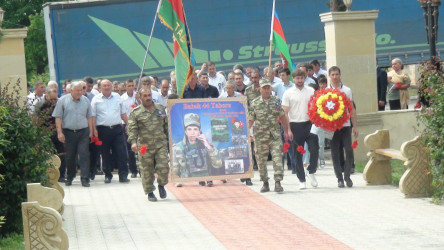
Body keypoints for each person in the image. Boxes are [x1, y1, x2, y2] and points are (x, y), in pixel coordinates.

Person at [128, 88, 169, 202]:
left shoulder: (159, 108)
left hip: (160, 143)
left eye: (149, 95)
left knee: (164, 166)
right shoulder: (136, 112)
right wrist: (133, 142)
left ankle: (161, 185)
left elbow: (166, 125)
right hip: (144, 146)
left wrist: (170, 141)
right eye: (145, 96)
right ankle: (150, 192)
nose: (148, 98)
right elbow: (132, 129)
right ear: (140, 98)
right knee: (147, 170)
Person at [249, 78, 290, 193]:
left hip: (274, 135)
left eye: (268, 87)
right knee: (261, 160)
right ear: (260, 89)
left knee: (277, 158)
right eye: (264, 88)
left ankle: (278, 182)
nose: (266, 90)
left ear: (271, 88)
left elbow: (282, 117)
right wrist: (245, 132)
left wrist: (286, 131)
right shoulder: (254, 103)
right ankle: (265, 182)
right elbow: (251, 119)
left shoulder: (276, 101)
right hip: (260, 137)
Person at [282, 69, 319, 189]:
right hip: (295, 125)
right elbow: (285, 113)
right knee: (298, 154)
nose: (299, 80)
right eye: (297, 78)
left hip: (309, 124)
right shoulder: (288, 93)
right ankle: (301, 180)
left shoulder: (311, 90)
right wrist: (288, 130)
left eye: (301, 78)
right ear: (293, 79)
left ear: (304, 78)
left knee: (315, 149)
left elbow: (316, 107)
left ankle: (311, 171)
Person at [52, 81, 92, 187]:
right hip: (68, 132)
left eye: (81, 90)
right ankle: (70, 176)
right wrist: (59, 132)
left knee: (84, 154)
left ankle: (85, 178)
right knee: (70, 156)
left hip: (83, 131)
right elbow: (58, 117)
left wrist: (91, 131)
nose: (79, 92)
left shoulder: (86, 100)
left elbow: (90, 116)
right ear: (71, 90)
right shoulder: (62, 101)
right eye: (77, 90)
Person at [91, 79, 130, 184]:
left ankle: (123, 175)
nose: (107, 87)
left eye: (108, 85)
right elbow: (93, 116)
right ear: (100, 88)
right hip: (103, 129)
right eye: (104, 86)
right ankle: (108, 175)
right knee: (105, 153)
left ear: (112, 86)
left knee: (121, 153)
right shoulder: (95, 99)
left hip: (117, 128)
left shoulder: (117, 97)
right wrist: (94, 129)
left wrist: (128, 124)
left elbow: (123, 113)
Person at [326, 66, 358, 188]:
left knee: (349, 151)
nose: (334, 77)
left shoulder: (347, 90)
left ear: (340, 75)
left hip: (345, 125)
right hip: (332, 127)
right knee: (335, 153)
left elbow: (352, 109)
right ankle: (339, 178)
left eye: (336, 74)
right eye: (332, 75)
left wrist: (355, 126)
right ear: (329, 76)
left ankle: (347, 176)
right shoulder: (325, 91)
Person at [172, 113, 222, 181]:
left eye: (195, 129)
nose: (192, 133)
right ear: (185, 132)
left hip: (206, 183)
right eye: (189, 129)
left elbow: (218, 164)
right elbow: (174, 173)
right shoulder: (178, 148)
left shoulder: (207, 146)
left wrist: (208, 146)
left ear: (199, 131)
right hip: (188, 184)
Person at [40, 87, 66, 182]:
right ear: (47, 96)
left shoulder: (61, 105)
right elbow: (39, 121)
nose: (53, 101)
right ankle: (50, 175)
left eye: (55, 99)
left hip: (60, 133)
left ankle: (62, 175)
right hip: (48, 135)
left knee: (62, 155)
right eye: (52, 99)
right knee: (49, 156)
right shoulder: (43, 106)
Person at [121, 79, 139, 178]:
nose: (131, 87)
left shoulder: (138, 95)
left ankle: (142, 170)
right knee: (130, 149)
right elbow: (122, 113)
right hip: (127, 124)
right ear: (125, 86)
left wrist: (139, 100)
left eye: (132, 85)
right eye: (129, 85)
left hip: (138, 124)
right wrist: (128, 125)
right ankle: (133, 170)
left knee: (140, 148)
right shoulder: (122, 98)